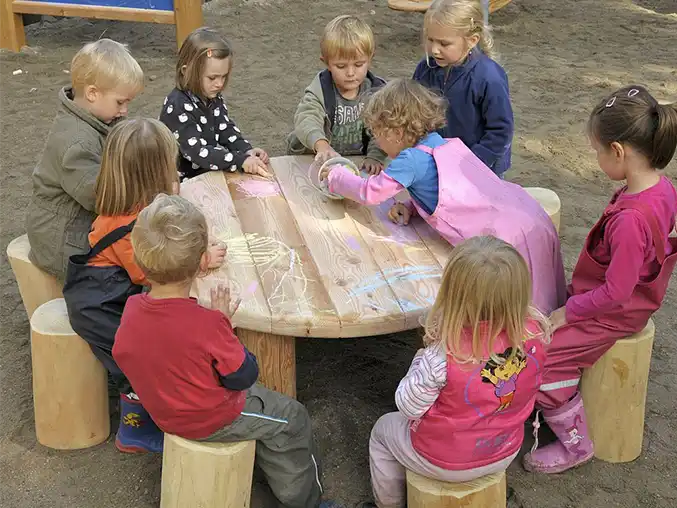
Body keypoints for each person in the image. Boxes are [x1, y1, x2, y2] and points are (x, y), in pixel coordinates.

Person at [112, 194, 342, 508]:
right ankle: (307, 502)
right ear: (201, 263)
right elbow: (243, 375)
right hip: (210, 416)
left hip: (162, 410)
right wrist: (222, 323)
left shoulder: (132, 309)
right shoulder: (206, 324)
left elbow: (127, 353)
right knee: (292, 418)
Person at [524, 86, 677, 474]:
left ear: (619, 151)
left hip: (615, 310)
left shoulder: (630, 221)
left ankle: (576, 444)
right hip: (616, 297)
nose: (596, 159)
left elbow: (617, 291)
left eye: (597, 151)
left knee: (543, 360)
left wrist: (569, 312)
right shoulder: (660, 187)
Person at [321, 79, 565, 314]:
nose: (377, 142)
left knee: (519, 308)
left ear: (394, 132)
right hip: (525, 215)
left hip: (504, 237)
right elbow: (452, 192)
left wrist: (336, 176)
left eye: (377, 134)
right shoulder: (446, 144)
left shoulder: (410, 159)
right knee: (543, 297)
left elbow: (369, 192)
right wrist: (412, 206)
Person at [63, 118, 227, 453]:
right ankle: (133, 431)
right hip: (102, 308)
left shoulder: (128, 209)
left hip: (111, 293)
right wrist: (201, 259)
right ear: (155, 174)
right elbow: (155, 272)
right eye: (170, 165)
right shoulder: (131, 228)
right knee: (139, 362)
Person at [361, 236, 549, 508]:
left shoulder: (444, 355)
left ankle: (388, 504)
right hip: (506, 448)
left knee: (382, 431)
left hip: (444, 459)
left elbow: (408, 406)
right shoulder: (536, 334)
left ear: (453, 294)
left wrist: (419, 360)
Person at [26, 39, 143, 280]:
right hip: (63, 241)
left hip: (75, 223)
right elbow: (100, 198)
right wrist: (143, 190)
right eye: (120, 102)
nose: (125, 111)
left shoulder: (97, 118)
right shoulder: (77, 142)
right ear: (92, 93)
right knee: (126, 268)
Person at [413, 0, 513, 178]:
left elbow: (501, 131)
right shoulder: (425, 69)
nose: (435, 50)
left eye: (444, 44)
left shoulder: (489, 77)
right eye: (430, 39)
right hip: (438, 164)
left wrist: (471, 164)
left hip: (481, 170)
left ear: (472, 40)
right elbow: (414, 111)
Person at [160, 27, 269, 181]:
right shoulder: (177, 106)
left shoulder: (211, 95)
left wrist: (246, 151)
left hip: (208, 172)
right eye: (212, 78)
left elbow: (225, 128)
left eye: (224, 77)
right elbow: (197, 153)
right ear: (186, 71)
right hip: (182, 182)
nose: (219, 84)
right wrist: (239, 160)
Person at [286, 15, 388, 175]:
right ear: (326, 63)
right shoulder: (321, 88)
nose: (350, 72)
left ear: (370, 59)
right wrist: (321, 145)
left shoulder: (377, 91)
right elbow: (306, 118)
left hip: (358, 161)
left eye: (359, 64)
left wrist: (375, 156)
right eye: (341, 66)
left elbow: (384, 127)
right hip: (317, 158)